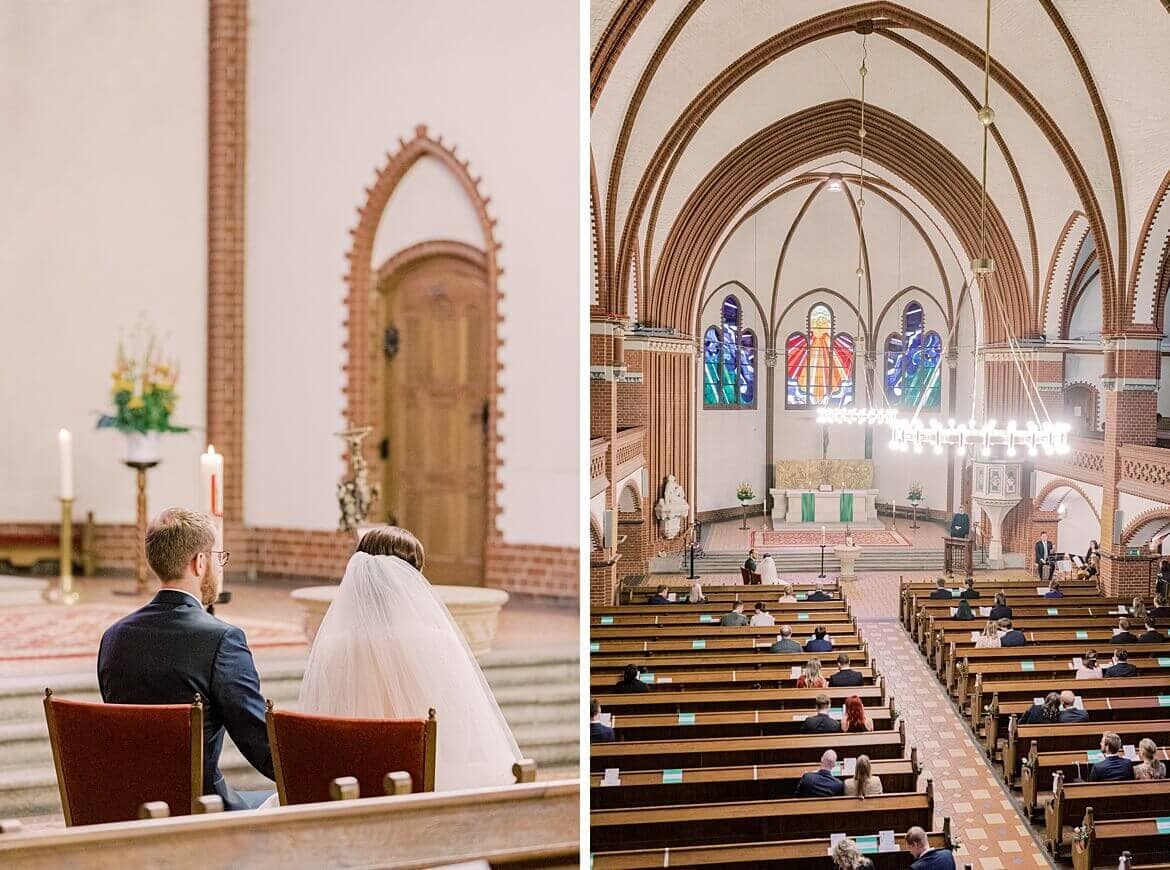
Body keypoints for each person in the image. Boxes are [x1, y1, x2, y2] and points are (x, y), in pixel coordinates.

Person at [296, 525, 522, 791]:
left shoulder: (329, 649)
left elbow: (317, 741)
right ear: (413, 581)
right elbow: (463, 737)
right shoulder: (441, 644)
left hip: (348, 795)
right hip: (421, 795)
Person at [98, 508, 275, 811]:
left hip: (130, 810)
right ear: (200, 562)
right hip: (199, 810)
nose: (219, 568)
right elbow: (261, 743)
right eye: (219, 558)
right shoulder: (222, 640)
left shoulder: (113, 638)